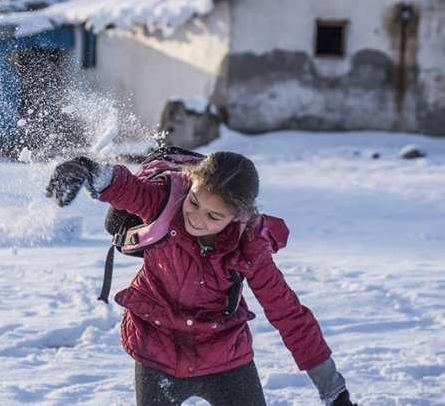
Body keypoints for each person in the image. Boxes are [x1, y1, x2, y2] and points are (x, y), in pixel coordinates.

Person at [45, 152, 357, 406]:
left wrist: (332, 389)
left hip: (225, 354)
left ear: (240, 216)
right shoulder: (164, 204)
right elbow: (126, 188)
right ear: (190, 183)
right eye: (194, 202)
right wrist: (86, 169)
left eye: (214, 217)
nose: (196, 218)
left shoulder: (249, 249)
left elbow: (288, 315)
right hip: (158, 349)